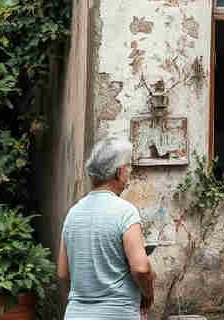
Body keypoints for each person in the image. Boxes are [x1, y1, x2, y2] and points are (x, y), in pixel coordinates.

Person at [57, 137, 155, 320]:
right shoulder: (126, 212)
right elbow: (141, 269)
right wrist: (148, 295)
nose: (130, 171)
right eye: (128, 166)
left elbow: (63, 273)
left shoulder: (73, 214)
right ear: (119, 171)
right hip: (117, 313)